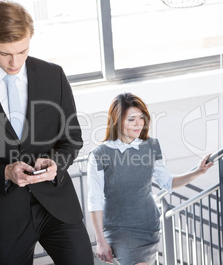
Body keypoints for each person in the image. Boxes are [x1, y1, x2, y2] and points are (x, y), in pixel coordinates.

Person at [0, 0, 94, 265]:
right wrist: (4, 173)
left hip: (57, 205)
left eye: (22, 50)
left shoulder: (53, 76)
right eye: (4, 53)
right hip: (3, 216)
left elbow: (71, 139)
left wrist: (55, 164)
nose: (14, 62)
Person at [87, 93, 213, 265]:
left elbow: (167, 182)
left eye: (141, 117)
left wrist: (197, 172)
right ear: (117, 120)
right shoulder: (100, 154)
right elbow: (94, 201)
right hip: (120, 230)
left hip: (148, 226)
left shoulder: (151, 146)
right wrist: (100, 241)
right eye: (131, 119)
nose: (139, 123)